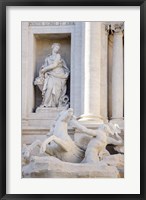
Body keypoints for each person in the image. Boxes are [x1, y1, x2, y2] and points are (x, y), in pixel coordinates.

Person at [34, 43, 69, 107]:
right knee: (49, 88)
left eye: (58, 48)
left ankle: (54, 104)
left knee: (57, 91)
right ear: (52, 47)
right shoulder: (48, 58)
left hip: (59, 75)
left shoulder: (58, 55)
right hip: (50, 75)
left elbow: (55, 65)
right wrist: (43, 69)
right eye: (56, 48)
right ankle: (45, 104)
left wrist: (44, 69)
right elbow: (44, 66)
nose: (57, 49)